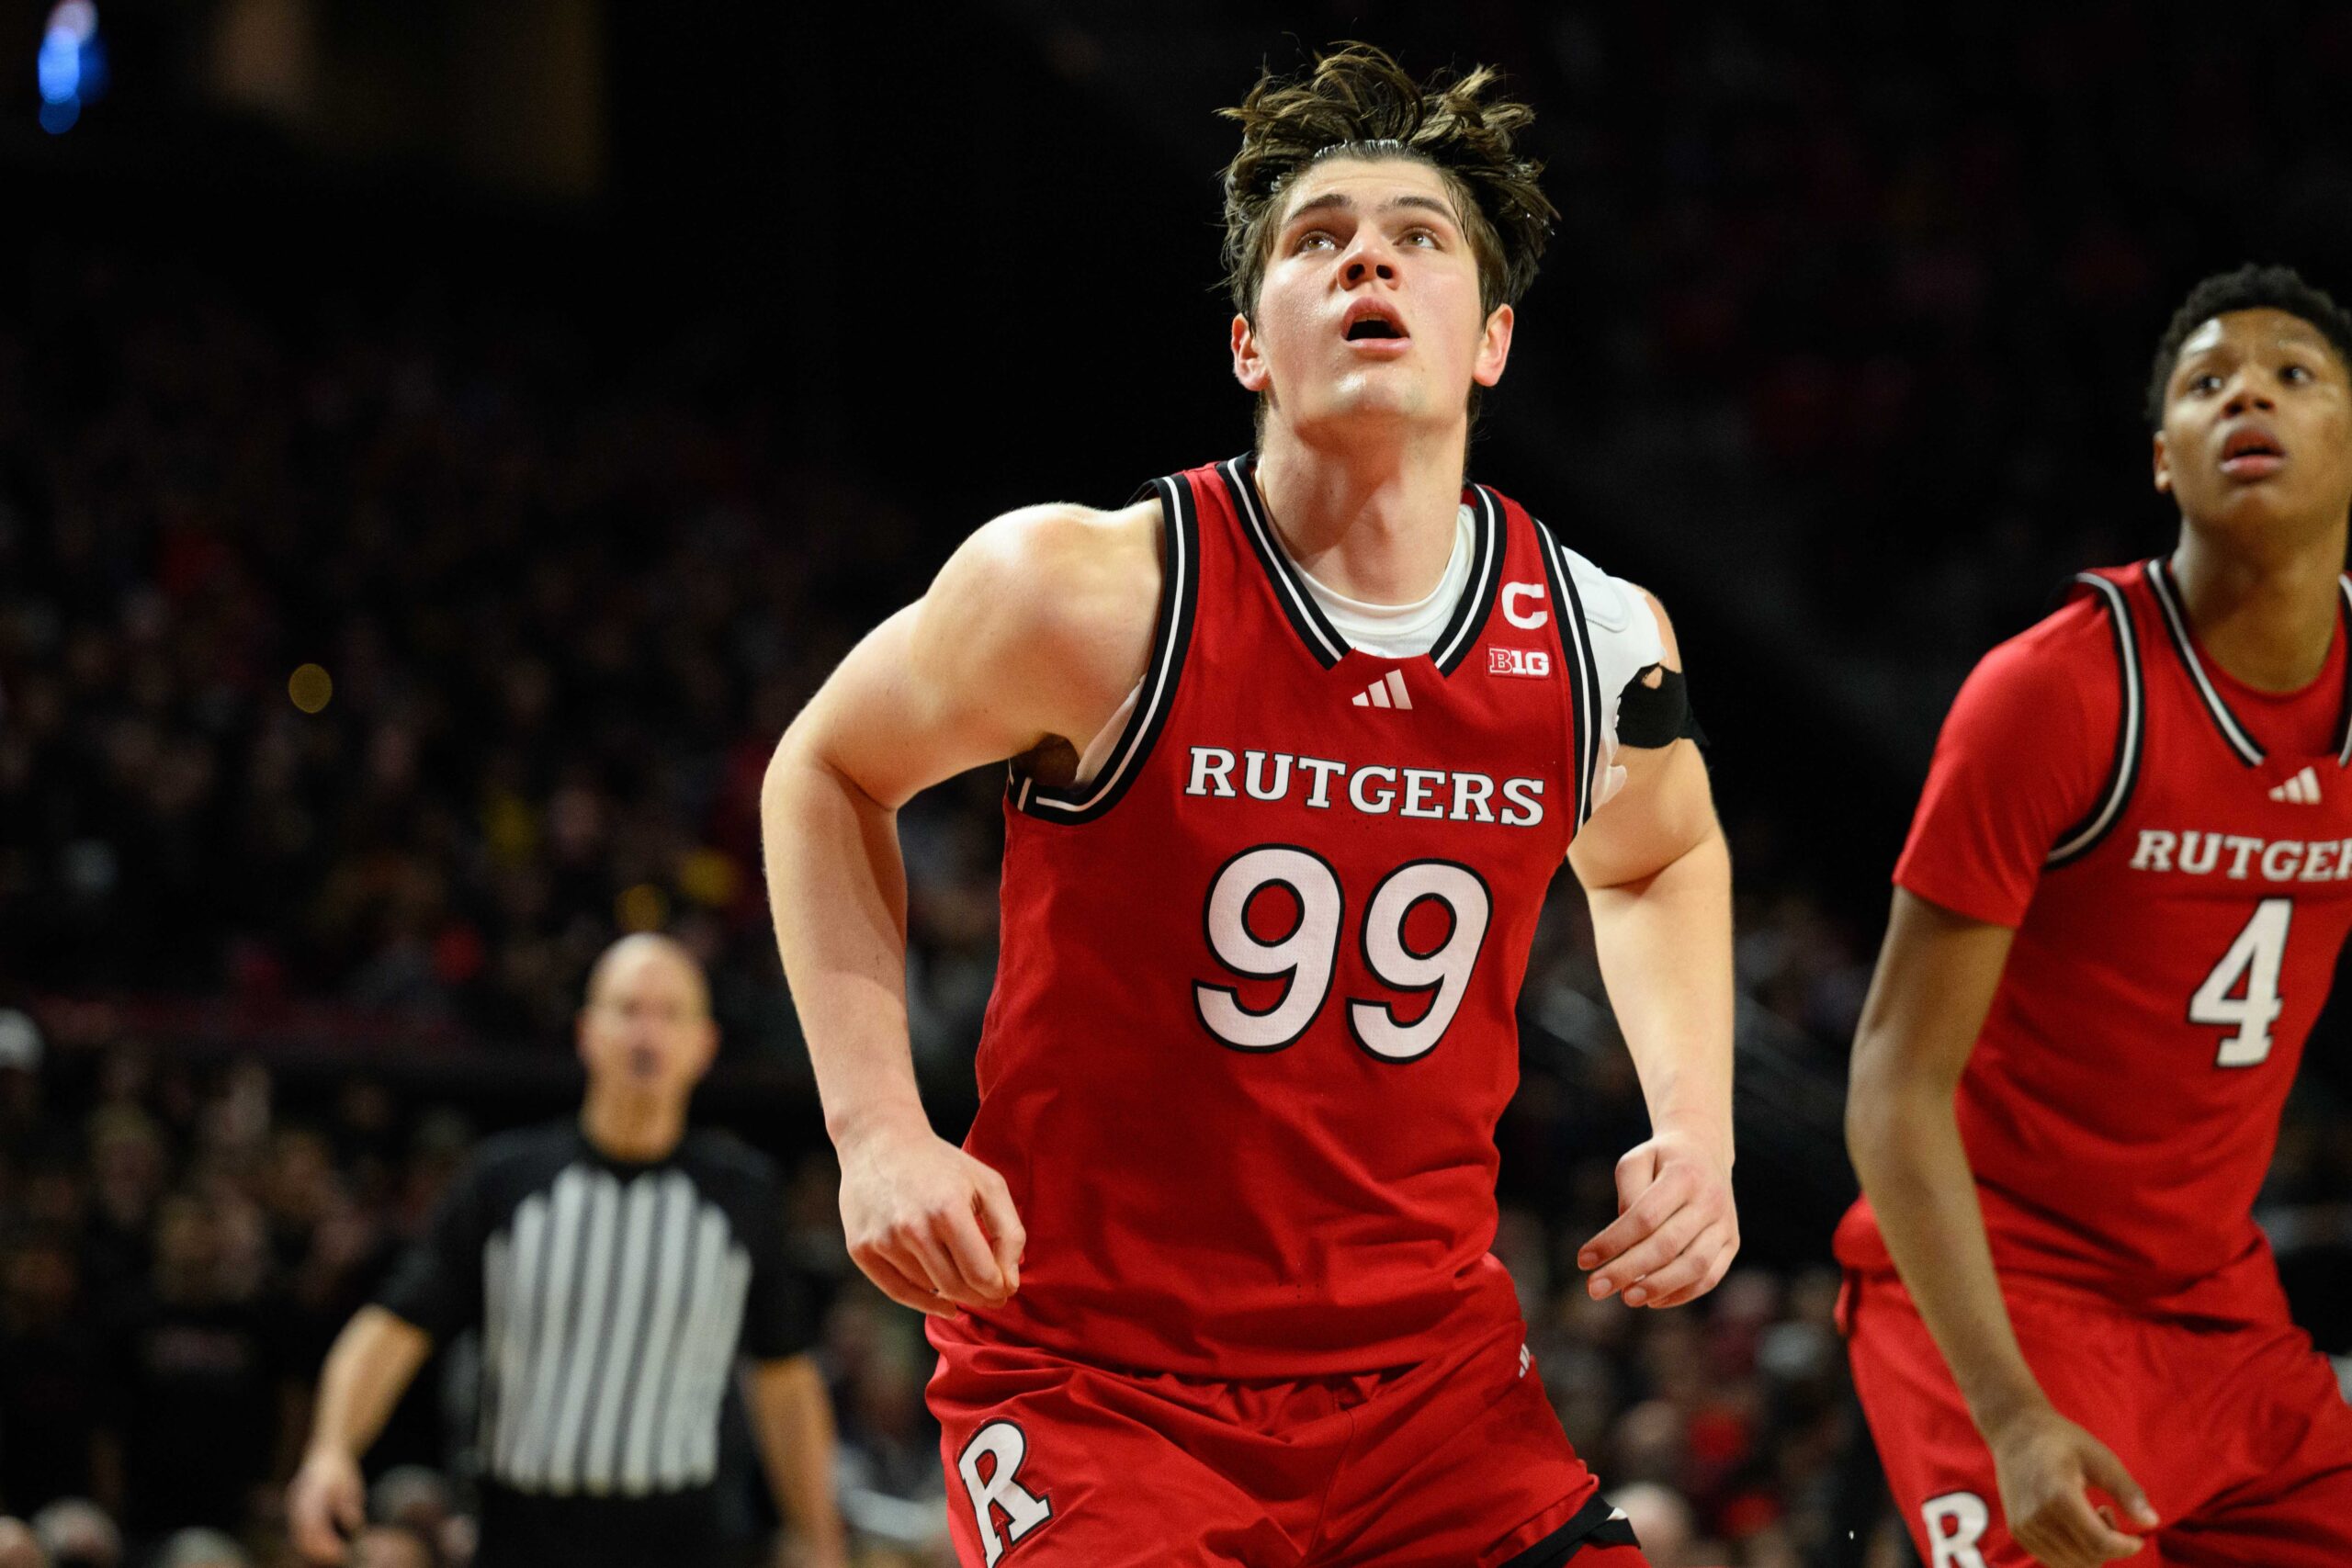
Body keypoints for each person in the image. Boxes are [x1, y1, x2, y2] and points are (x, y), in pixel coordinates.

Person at [764, 43, 1736, 1568]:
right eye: (1316, 235)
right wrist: (879, 1129)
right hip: (1101, 1381)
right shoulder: (1082, 593)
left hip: (1432, 1395)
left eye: (1419, 237)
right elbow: (824, 768)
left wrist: (1698, 1125)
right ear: (1247, 347)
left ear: (1488, 341)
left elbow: (1664, 851)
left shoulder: (1603, 638)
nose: (1367, 253)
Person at [1840, 265, 2352, 1568]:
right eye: (2207, 380)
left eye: (2296, 373)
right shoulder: (2056, 693)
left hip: (2216, 1302)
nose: (2248, 390)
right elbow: (1894, 1082)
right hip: (1999, 1296)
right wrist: (2011, 1413)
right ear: (2165, 461)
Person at [286, 934, 848, 1568]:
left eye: (670, 1014)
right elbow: (392, 1327)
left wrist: (817, 1534)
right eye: (628, 1008)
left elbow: (786, 1381)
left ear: (704, 1045)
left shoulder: (743, 1196)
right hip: (522, 1532)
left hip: (680, 1537)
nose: (646, 1032)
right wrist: (331, 1449)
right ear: (586, 1031)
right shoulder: (504, 1182)